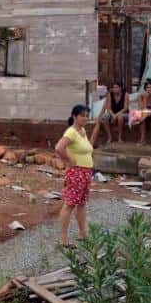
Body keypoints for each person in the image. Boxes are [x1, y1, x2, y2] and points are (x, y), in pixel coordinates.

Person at [55, 104, 100, 247]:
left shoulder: (82, 131)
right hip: (76, 172)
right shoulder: (71, 132)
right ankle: (63, 239)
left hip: (86, 171)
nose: (85, 118)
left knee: (81, 204)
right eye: (82, 115)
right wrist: (68, 161)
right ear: (74, 116)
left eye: (87, 115)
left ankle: (83, 233)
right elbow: (59, 148)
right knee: (69, 204)